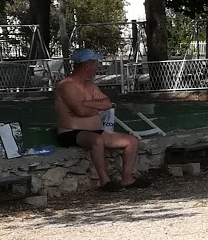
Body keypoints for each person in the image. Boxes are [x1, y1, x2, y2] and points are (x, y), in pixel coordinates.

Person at [55, 49, 142, 191]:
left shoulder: (90, 86)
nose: (97, 67)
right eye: (96, 64)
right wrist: (94, 108)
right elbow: (81, 112)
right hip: (71, 132)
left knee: (131, 141)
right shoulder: (66, 85)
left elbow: (107, 104)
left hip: (96, 131)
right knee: (97, 140)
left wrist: (86, 103)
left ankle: (127, 178)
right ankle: (105, 181)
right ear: (87, 66)